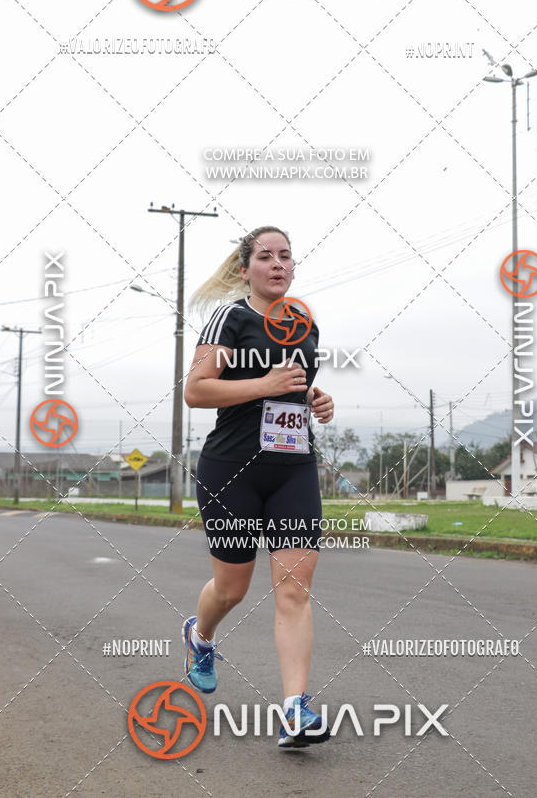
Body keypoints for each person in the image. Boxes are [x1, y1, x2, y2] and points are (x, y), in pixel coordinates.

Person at [182, 225, 334, 748]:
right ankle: (200, 637)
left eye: (285, 256)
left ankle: (295, 710)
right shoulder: (231, 317)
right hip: (232, 470)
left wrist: (316, 399)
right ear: (244, 269)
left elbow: (293, 382)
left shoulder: (305, 321)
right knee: (232, 589)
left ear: (293, 267)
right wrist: (265, 386)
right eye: (264, 256)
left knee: (293, 590)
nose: (277, 264)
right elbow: (196, 391)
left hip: (293, 468)